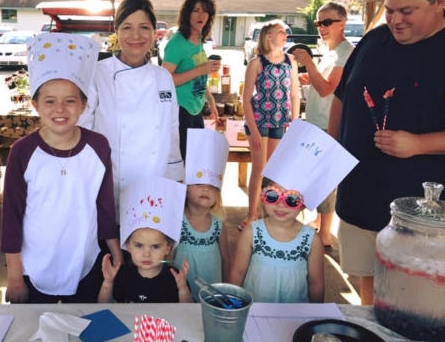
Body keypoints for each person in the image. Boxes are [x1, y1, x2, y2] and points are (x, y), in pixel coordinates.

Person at [328, 0, 445, 305]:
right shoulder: (374, 39)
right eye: (390, 10)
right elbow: (341, 97)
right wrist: (332, 152)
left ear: (441, 3)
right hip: (360, 198)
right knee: (369, 295)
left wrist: (419, 144)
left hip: (421, 217)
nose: (395, 20)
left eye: (406, 11)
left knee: (414, 305)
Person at [2, 33, 123, 304]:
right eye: (49, 101)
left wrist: (115, 249)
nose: (60, 109)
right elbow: (11, 216)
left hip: (86, 261)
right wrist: (14, 276)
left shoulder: (98, 146)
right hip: (34, 265)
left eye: (70, 100)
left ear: (83, 105)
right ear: (35, 105)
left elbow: (104, 204)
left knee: (86, 331)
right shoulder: (22, 152)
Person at [79, 0, 184, 219]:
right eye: (127, 27)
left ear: (155, 32)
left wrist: (177, 180)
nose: (136, 36)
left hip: (155, 182)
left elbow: (171, 132)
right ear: (116, 31)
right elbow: (82, 134)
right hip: (111, 184)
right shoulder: (97, 74)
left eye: (144, 27)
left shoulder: (163, 77)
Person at [293, 2, 354, 246]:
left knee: (324, 181)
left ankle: (325, 234)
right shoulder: (331, 51)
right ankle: (320, 223)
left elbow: (328, 89)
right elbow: (325, 84)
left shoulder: (345, 52)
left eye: (327, 22)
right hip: (317, 122)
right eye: (319, 22)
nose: (321, 27)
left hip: (329, 125)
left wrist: (308, 63)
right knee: (316, 179)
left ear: (342, 23)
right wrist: (311, 75)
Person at [240, 20, 300, 231]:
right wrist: (254, 132)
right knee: (259, 169)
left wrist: (295, 120)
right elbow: (245, 98)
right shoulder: (257, 63)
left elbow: (294, 93)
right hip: (259, 120)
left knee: (273, 170)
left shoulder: (290, 61)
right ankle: (251, 216)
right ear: (268, 37)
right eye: (280, 32)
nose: (285, 35)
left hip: (280, 120)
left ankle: (267, 213)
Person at [98, 176, 192, 303]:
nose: (146, 254)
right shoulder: (122, 275)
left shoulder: (174, 277)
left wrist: (183, 289)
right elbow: (103, 305)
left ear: (167, 248)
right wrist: (108, 282)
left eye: (155, 246)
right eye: (139, 245)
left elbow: (187, 313)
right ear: (128, 246)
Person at [231, 180, 325, 303]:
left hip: (295, 313)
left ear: (303, 203)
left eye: (291, 199)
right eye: (272, 196)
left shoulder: (312, 240)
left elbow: (316, 284)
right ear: (262, 196)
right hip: (255, 309)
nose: (281, 204)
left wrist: (317, 312)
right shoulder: (251, 232)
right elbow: (238, 273)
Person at [174, 128, 233, 302]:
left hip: (213, 291)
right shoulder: (177, 221)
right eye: (198, 183)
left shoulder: (218, 225)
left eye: (212, 186)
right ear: (185, 191)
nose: (205, 188)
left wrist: (227, 289)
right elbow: (169, 258)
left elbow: (226, 259)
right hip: (181, 289)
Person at [161, 0, 220, 161]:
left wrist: (211, 100)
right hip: (181, 110)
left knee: (196, 161)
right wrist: (201, 69)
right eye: (196, 10)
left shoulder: (198, 39)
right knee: (186, 163)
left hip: (196, 109)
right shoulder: (177, 43)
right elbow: (165, 80)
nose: (201, 15)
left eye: (205, 11)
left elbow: (199, 77)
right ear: (187, 14)